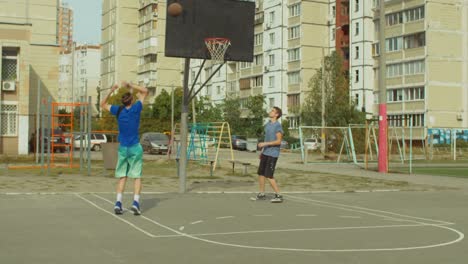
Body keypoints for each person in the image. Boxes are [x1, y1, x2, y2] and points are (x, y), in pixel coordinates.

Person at [100, 81, 148, 215]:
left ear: (123, 101)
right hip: (134, 147)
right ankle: (136, 203)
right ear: (131, 100)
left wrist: (111, 90)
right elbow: (144, 91)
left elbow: (102, 104)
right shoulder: (136, 108)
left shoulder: (118, 110)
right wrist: (131, 85)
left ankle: (118, 203)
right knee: (137, 177)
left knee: (123, 177)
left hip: (123, 148)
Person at [252, 107, 284, 203]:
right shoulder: (268, 125)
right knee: (261, 174)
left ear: (277, 115)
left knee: (269, 175)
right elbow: (266, 139)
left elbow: (279, 141)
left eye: (273, 111)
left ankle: (279, 195)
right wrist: (262, 151)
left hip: (273, 154)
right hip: (265, 153)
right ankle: (261, 194)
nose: (270, 112)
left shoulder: (278, 126)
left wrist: (265, 144)